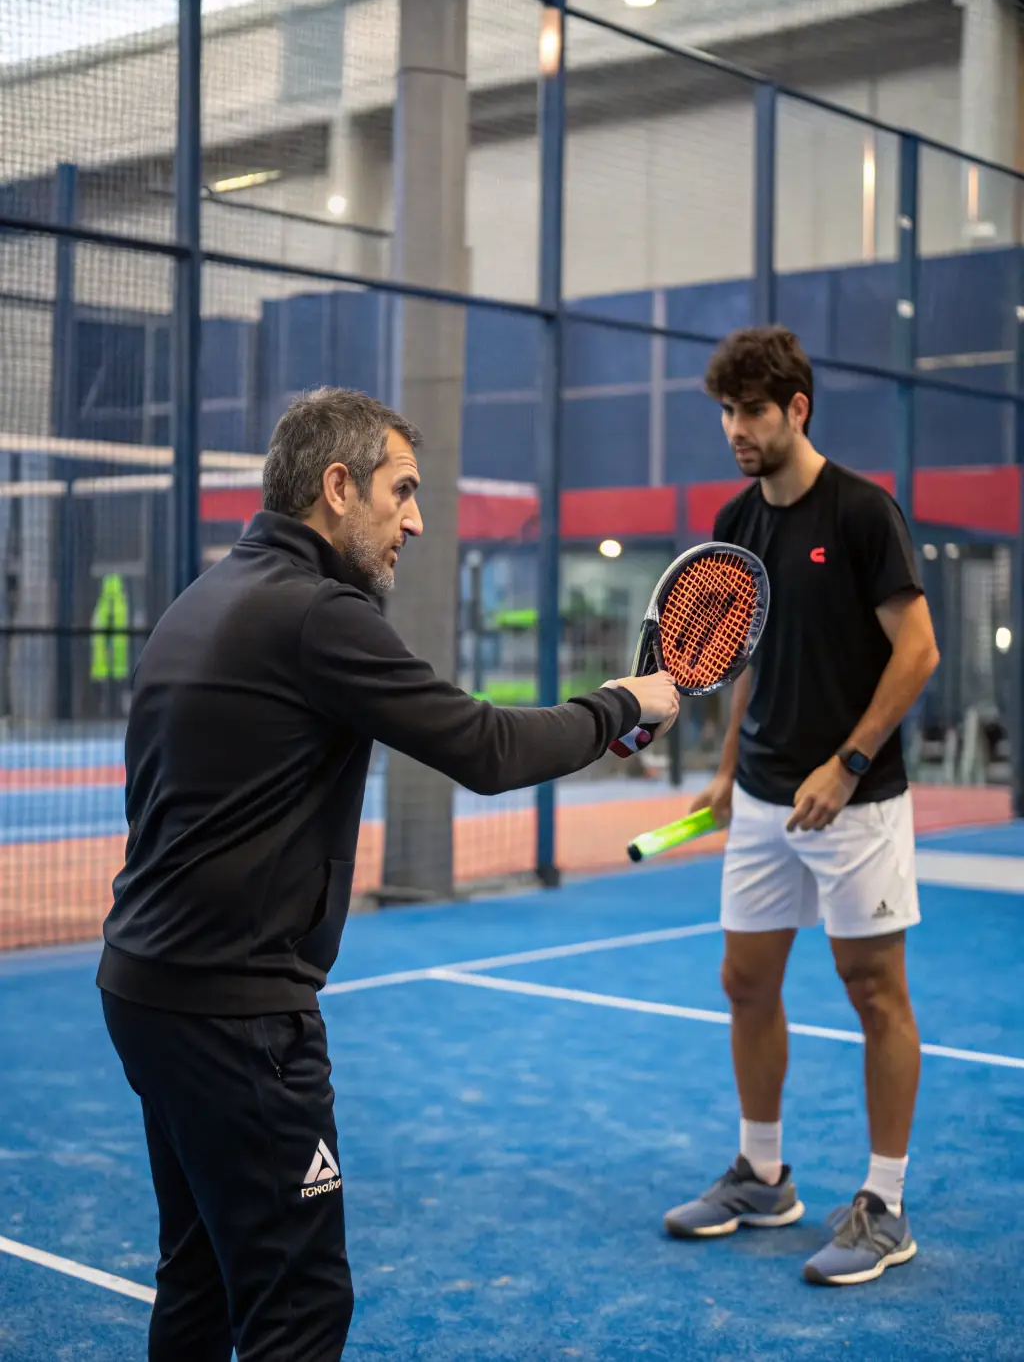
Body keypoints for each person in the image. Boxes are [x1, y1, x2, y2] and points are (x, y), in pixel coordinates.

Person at [97, 386, 679, 1362]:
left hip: (147, 990)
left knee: (199, 1280)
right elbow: (485, 748)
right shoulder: (319, 615)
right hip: (238, 1016)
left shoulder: (206, 598)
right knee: (299, 1303)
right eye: (401, 490)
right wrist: (621, 702)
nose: (416, 519)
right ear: (337, 487)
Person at [662, 327, 940, 1287]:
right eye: (727, 413)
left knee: (874, 992)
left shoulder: (864, 513)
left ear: (797, 410)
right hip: (762, 799)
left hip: (856, 804)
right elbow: (748, 661)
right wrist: (729, 768)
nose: (736, 429)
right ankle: (765, 1174)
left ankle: (885, 1202)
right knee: (745, 980)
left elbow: (919, 651)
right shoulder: (738, 522)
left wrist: (849, 760)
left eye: (751, 412)